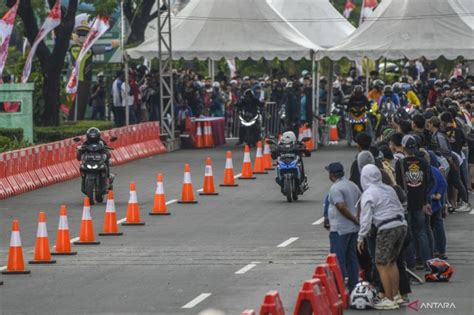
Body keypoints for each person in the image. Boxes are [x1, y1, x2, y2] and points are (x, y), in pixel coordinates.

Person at [357, 164, 407, 310]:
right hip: (401, 225)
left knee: (381, 264)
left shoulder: (368, 193)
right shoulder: (389, 188)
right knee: (392, 262)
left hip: (386, 228)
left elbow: (365, 218)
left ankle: (389, 298)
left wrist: (361, 237)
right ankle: (396, 295)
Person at [395, 135, 432, 270]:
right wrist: (426, 200)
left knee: (408, 233)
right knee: (421, 232)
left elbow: (398, 184)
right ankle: (428, 262)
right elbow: (429, 182)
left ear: (403, 148)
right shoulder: (423, 162)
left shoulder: (400, 164)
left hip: (406, 203)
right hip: (421, 201)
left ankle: (411, 264)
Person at [326, 162, 361, 292]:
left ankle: (339, 288)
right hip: (353, 230)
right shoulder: (353, 185)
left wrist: (354, 219)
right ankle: (353, 286)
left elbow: (340, 206)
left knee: (338, 260)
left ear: (333, 175)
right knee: (352, 258)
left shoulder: (336, 188)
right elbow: (361, 202)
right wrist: (358, 218)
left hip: (340, 230)